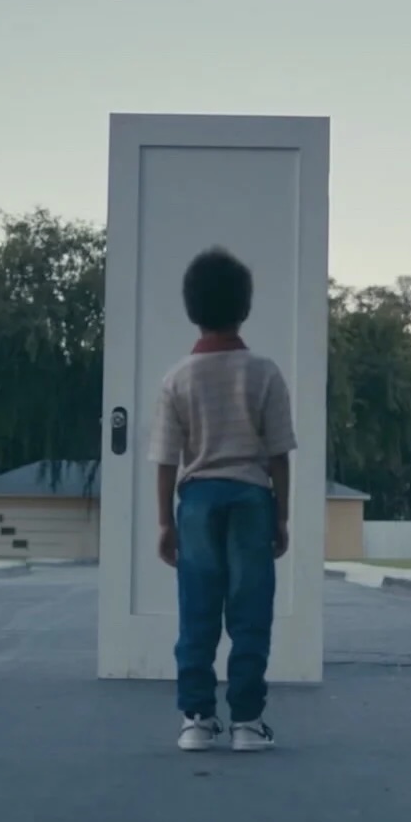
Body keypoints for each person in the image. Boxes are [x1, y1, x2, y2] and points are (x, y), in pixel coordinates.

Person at [148, 246, 294, 753]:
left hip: (197, 502)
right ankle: (247, 723)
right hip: (252, 498)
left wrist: (165, 523)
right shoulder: (265, 373)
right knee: (250, 613)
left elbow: (166, 458)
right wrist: (282, 517)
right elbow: (279, 455)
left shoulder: (177, 378)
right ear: (245, 307)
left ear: (192, 308)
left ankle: (196, 719)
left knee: (198, 611)